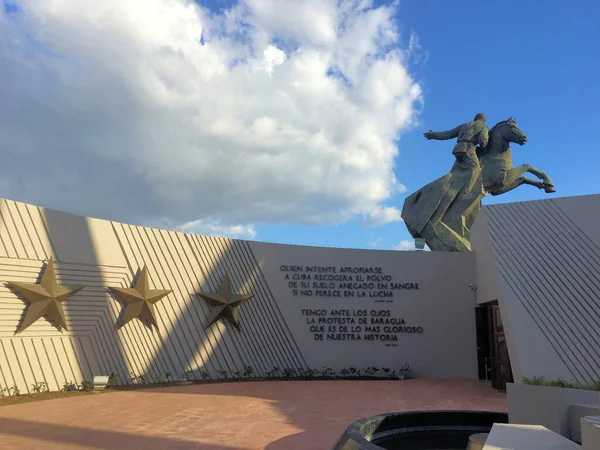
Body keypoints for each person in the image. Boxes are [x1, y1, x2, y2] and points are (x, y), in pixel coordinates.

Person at [423, 113, 489, 172]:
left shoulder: (464, 125)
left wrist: (433, 135)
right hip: (468, 149)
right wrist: (484, 148)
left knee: (453, 173)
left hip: (458, 148)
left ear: (475, 118)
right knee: (476, 170)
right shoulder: (483, 127)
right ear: (483, 121)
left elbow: (448, 134)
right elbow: (483, 141)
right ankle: (468, 186)